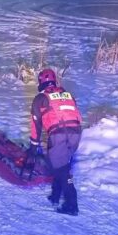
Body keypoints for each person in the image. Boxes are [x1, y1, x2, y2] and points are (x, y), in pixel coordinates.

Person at [30, 67, 82, 215]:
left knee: (61, 169)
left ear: (40, 83)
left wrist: (33, 146)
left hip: (58, 134)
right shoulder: (67, 94)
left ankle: (72, 205)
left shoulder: (40, 98)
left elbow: (35, 125)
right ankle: (55, 195)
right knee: (61, 164)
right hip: (76, 133)